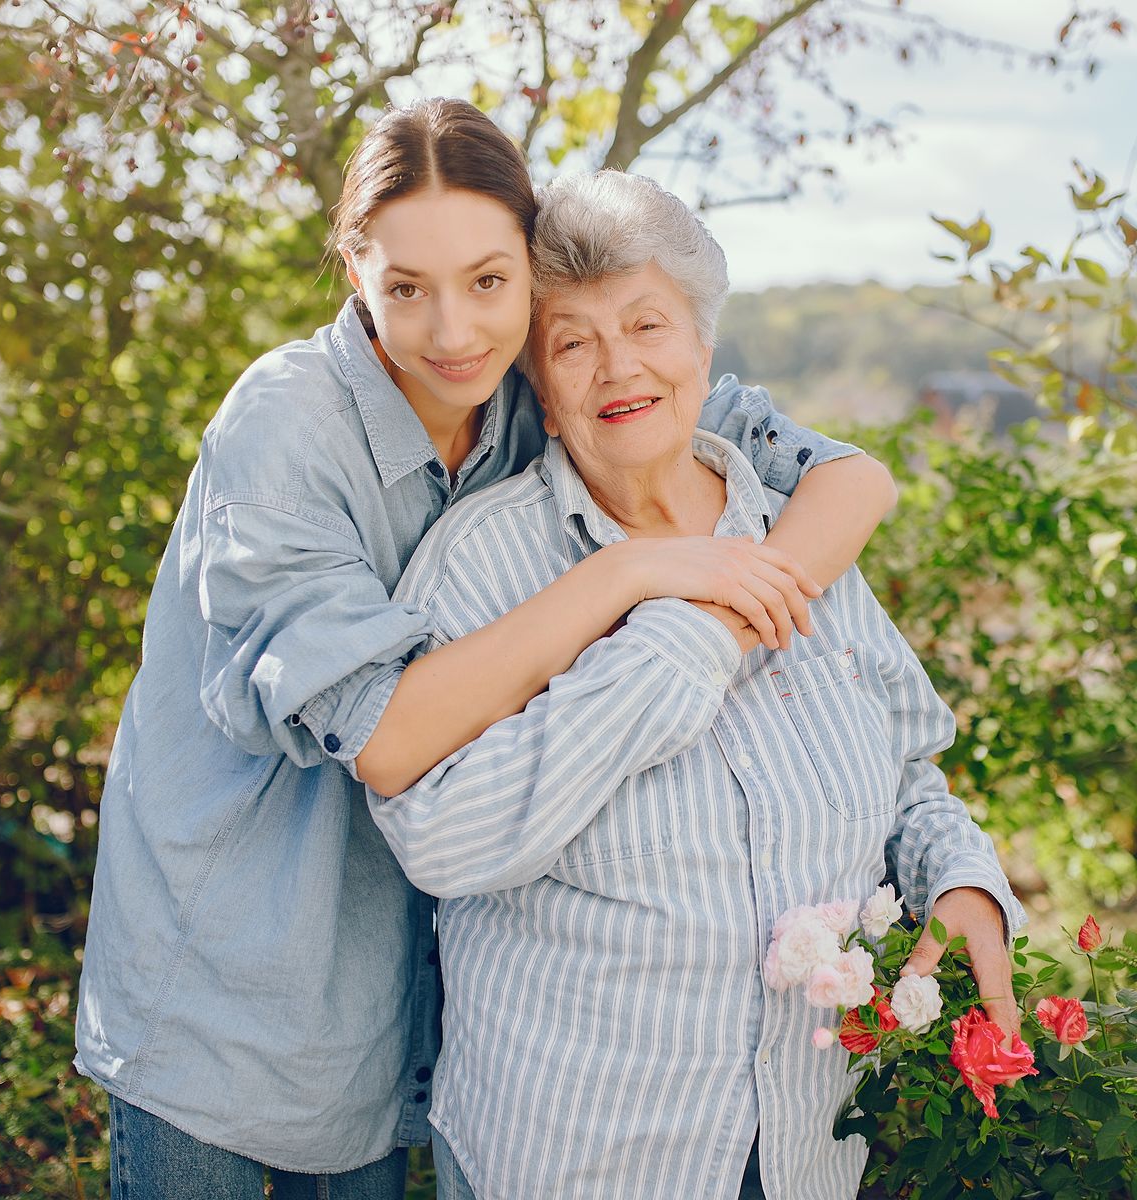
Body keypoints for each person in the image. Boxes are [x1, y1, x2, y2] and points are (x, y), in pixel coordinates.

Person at [73, 100, 899, 1199]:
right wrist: (631, 575)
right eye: (405, 287)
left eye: (487, 282)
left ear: (525, 266)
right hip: (235, 978)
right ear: (352, 268)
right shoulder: (284, 429)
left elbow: (852, 480)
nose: (453, 330)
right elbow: (390, 733)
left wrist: (730, 610)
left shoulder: (546, 381)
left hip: (400, 991)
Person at [368, 170, 1026, 1200]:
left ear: (703, 350)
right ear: (536, 380)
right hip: (582, 1156)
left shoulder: (796, 531)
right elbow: (441, 841)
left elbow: (904, 766)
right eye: (573, 341)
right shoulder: (480, 569)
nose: (616, 366)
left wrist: (962, 882)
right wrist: (687, 640)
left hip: (807, 1147)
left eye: (647, 325)